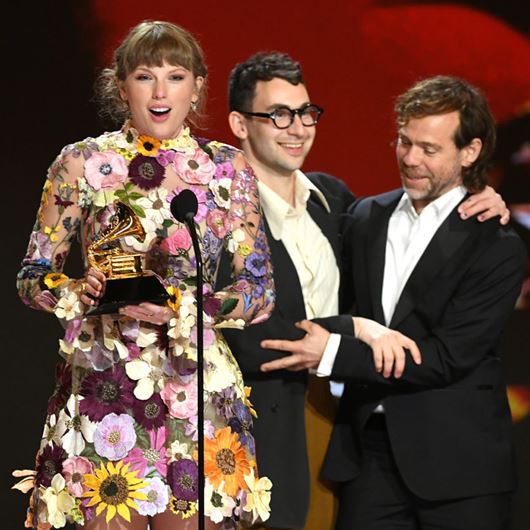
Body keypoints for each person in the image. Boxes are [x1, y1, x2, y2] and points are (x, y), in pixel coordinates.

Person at [215, 53, 513, 530]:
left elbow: (446, 355)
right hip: (297, 439)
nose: (411, 159)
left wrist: (332, 351)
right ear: (240, 123)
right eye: (404, 143)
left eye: (430, 149)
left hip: (431, 455)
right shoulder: (351, 214)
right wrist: (351, 330)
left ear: (469, 151)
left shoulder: (341, 204)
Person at [14, 20, 274, 530]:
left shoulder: (228, 169)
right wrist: (73, 289)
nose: (160, 93)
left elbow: (259, 291)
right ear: (120, 85)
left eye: (175, 77)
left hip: (194, 386)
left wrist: (191, 307)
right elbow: (31, 276)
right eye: (144, 77)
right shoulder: (81, 163)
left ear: (197, 86)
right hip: (103, 384)